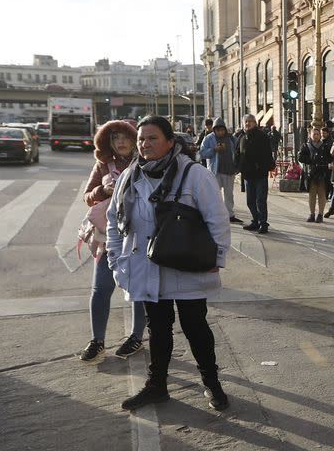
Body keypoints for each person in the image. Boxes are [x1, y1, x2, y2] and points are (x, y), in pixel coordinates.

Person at [106, 115, 231, 411]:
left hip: (187, 265)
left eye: (152, 138)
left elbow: (217, 217)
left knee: (195, 327)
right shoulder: (130, 176)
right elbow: (114, 220)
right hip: (147, 267)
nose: (144, 144)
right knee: (158, 329)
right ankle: (157, 385)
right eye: (141, 139)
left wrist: (218, 257)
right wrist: (114, 257)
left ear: (170, 142)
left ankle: (211, 384)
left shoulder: (194, 174)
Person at [79, 120, 146, 362]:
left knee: (139, 289)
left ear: (134, 138)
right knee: (100, 289)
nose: (120, 141)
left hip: (140, 236)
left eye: (125, 136)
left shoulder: (147, 162)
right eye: (115, 137)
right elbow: (87, 195)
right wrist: (103, 191)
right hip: (109, 237)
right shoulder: (103, 164)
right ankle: (97, 340)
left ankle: (136, 336)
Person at [237, 114, 275, 233]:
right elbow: (238, 153)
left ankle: (263, 223)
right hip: (247, 175)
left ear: (255, 123)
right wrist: (238, 166)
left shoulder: (261, 136)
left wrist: (260, 166)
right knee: (250, 201)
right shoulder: (242, 137)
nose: (247, 124)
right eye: (246, 122)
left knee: (260, 200)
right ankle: (255, 220)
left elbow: (267, 154)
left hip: (259, 174)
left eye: (250, 121)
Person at [200, 117, 242, 223]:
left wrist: (237, 167)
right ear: (214, 130)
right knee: (214, 194)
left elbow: (238, 152)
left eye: (222, 130)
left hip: (230, 170)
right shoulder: (209, 138)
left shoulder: (231, 138)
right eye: (218, 130)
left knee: (229, 194)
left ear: (225, 129)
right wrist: (214, 149)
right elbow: (202, 153)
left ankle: (230, 215)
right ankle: (214, 214)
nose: (220, 132)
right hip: (215, 171)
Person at [299, 127, 332, 222]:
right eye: (314, 134)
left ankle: (320, 214)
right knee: (312, 195)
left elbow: (330, 158)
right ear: (310, 135)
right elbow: (301, 158)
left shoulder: (325, 146)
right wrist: (312, 160)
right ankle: (312, 214)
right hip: (311, 173)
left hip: (322, 173)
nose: (316, 136)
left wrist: (325, 162)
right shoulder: (305, 146)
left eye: (318, 134)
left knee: (322, 195)